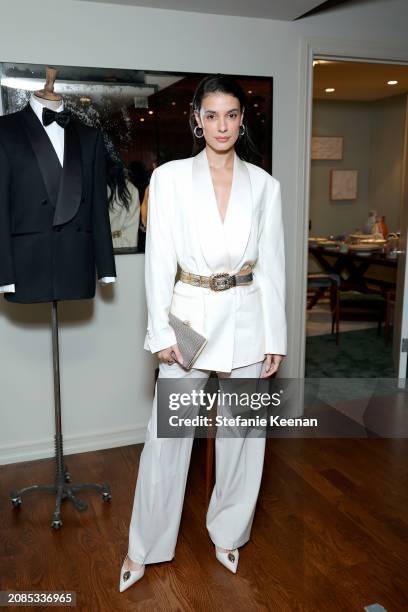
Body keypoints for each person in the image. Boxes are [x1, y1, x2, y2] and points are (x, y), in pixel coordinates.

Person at [119, 73, 287, 592]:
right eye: (211, 114)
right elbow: (158, 261)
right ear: (196, 118)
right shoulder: (168, 178)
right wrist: (158, 330)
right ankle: (144, 544)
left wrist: (274, 337)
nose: (221, 125)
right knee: (166, 439)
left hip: (246, 319)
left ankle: (229, 532)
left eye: (231, 115)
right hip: (186, 321)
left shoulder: (265, 185)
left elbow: (273, 267)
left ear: (242, 119)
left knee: (241, 437)